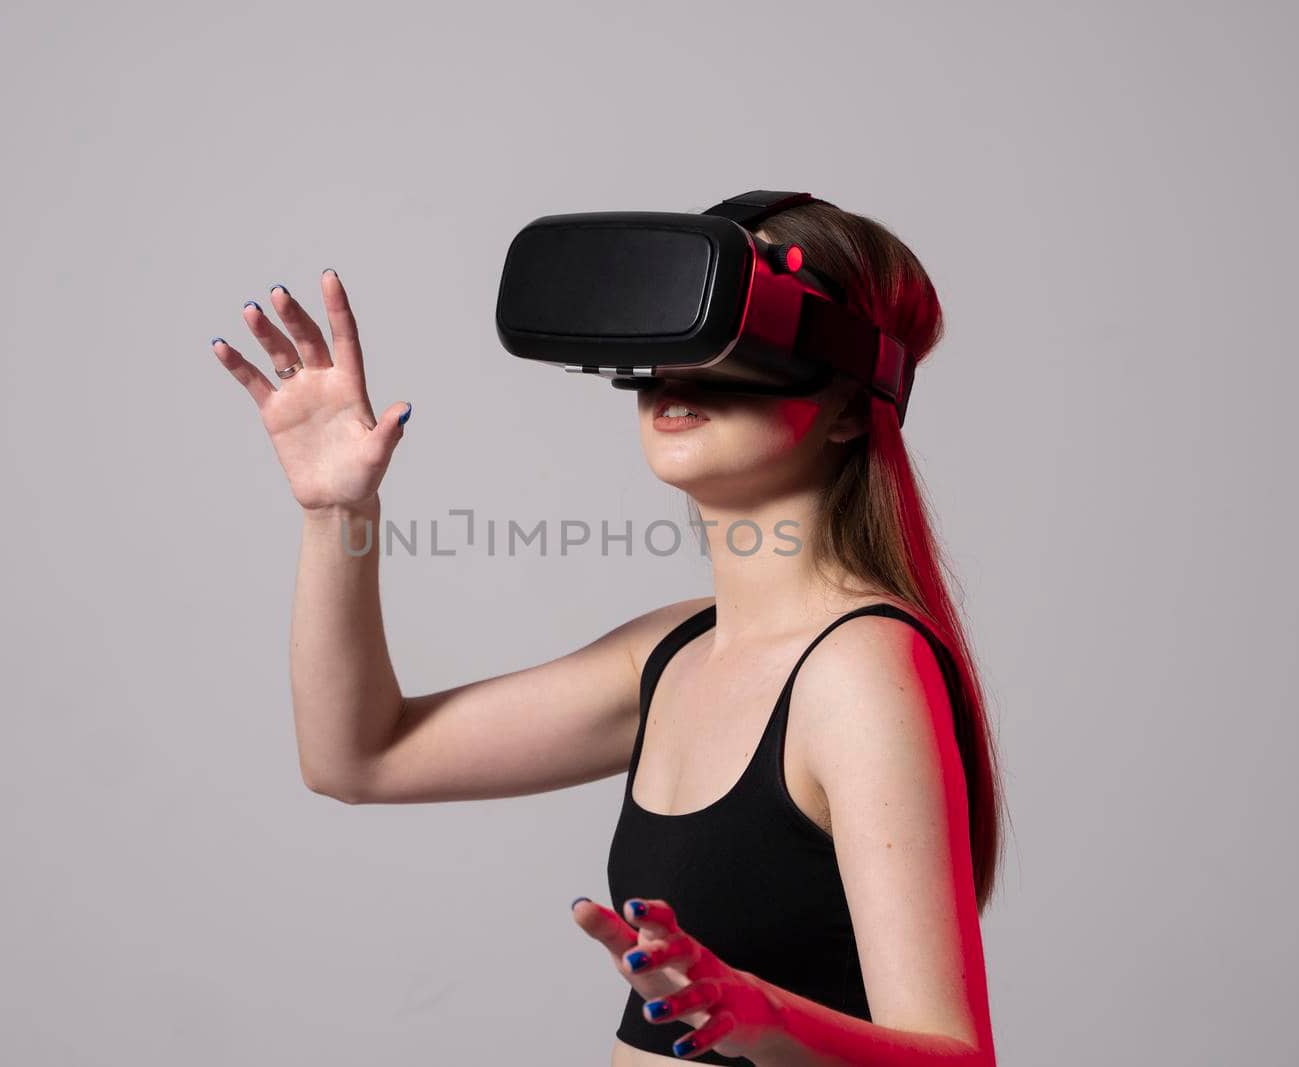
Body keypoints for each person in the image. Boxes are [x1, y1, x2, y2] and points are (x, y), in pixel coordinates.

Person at [210, 198, 1004, 1066]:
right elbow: (356, 758)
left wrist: (763, 1016)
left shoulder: (859, 670)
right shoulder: (672, 654)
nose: (679, 374)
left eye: (737, 341)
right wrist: (338, 510)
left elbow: (956, 1057)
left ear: (851, 406)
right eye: (671, 339)